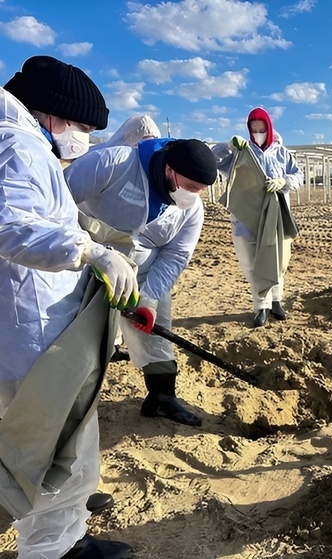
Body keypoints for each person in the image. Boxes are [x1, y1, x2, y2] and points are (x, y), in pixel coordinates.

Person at [1, 55, 138, 559]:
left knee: (36, 445)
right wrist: (88, 251)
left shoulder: (27, 144)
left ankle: (64, 535)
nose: (83, 137)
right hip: (30, 332)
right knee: (51, 445)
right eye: (81, 125)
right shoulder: (18, 147)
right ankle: (55, 550)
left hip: (26, 324)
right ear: (53, 114)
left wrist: (86, 243)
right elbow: (10, 226)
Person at [65, 137, 217, 427]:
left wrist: (148, 298)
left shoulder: (192, 209)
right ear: (170, 170)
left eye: (201, 190)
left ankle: (161, 397)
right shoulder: (114, 164)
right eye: (192, 187)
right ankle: (65, 405)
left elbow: (176, 255)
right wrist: (86, 250)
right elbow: (56, 200)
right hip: (87, 258)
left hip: (143, 268)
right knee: (77, 334)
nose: (195, 195)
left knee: (156, 331)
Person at [215, 107, 303, 327]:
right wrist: (227, 145)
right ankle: (260, 306)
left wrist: (284, 182)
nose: (258, 135)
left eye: (261, 130)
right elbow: (213, 161)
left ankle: (276, 301)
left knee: (278, 258)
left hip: (276, 217)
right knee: (253, 263)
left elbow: (298, 175)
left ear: (269, 128)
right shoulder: (241, 152)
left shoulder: (282, 153)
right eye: (253, 131)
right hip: (247, 218)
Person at [88, 114, 162, 363]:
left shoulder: (151, 170)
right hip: (94, 237)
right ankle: (99, 346)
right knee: (95, 298)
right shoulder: (103, 159)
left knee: (120, 292)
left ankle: (115, 344)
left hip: (124, 242)